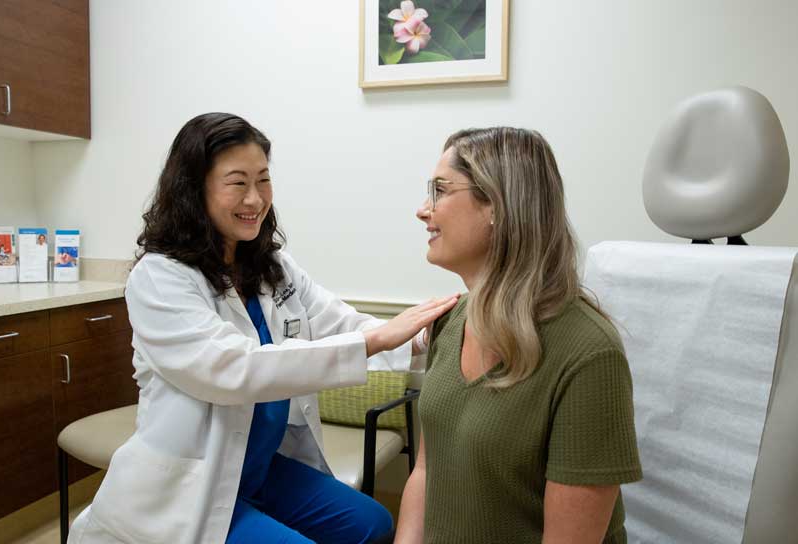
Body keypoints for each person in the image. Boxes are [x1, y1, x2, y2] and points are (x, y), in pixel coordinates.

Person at [67, 113, 458, 544]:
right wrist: (370, 341)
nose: (255, 198)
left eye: (263, 180)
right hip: (193, 478)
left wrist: (428, 336)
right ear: (194, 190)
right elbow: (233, 369)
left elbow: (341, 322)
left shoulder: (274, 269)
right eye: (237, 182)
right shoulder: (160, 278)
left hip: (259, 465)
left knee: (374, 524)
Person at [395, 127, 642, 543]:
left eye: (440, 190)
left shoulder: (588, 353)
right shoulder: (450, 320)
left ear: (496, 204)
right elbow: (426, 470)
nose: (423, 210)